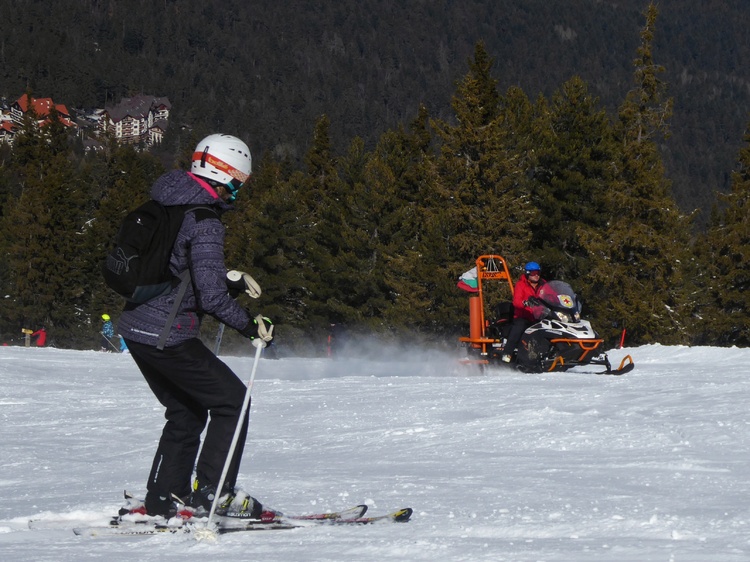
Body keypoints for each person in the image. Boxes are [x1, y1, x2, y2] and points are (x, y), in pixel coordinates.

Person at [117, 133, 274, 520]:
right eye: (240, 180)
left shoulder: (169, 200)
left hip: (138, 328)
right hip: (167, 335)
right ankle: (214, 494)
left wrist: (230, 277)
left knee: (186, 411)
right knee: (233, 403)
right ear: (227, 174)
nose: (239, 188)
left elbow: (178, 265)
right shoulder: (204, 219)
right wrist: (251, 326)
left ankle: (163, 497)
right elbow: (211, 298)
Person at [502, 261, 548, 362]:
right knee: (519, 327)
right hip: (524, 316)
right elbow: (516, 301)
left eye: (538, 273)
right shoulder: (521, 285)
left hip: (539, 316)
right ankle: (507, 353)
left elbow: (552, 295)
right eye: (533, 273)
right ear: (527, 273)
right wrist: (525, 303)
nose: (536, 275)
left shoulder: (543, 284)